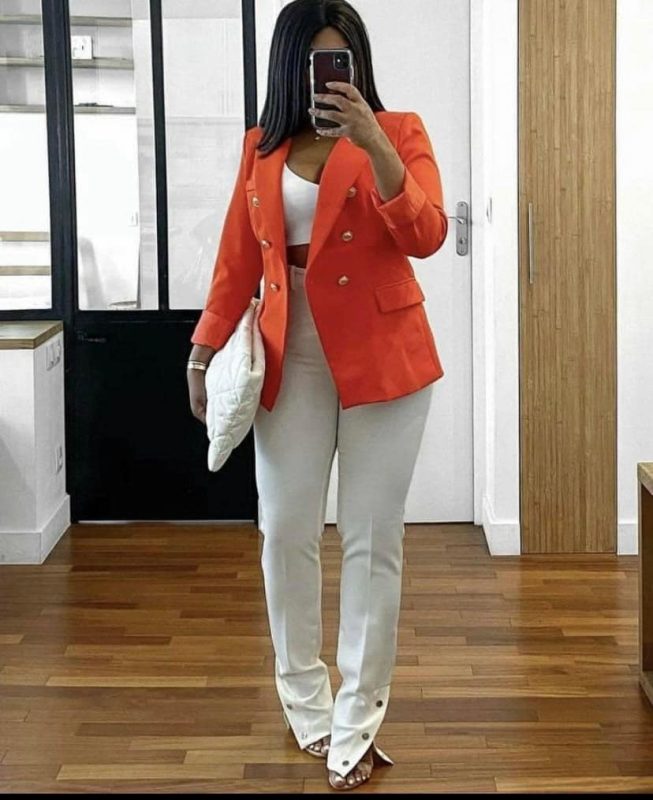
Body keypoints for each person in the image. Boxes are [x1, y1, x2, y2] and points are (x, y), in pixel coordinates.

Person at [187, 0, 448, 790]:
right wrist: (202, 350)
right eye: (315, 59)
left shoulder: (396, 131)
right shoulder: (260, 147)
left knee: (371, 540)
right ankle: (306, 702)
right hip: (287, 353)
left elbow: (426, 235)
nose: (329, 73)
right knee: (285, 530)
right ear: (289, 65)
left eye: (343, 57)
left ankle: (357, 718)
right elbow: (237, 257)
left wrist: (372, 142)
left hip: (383, 360)